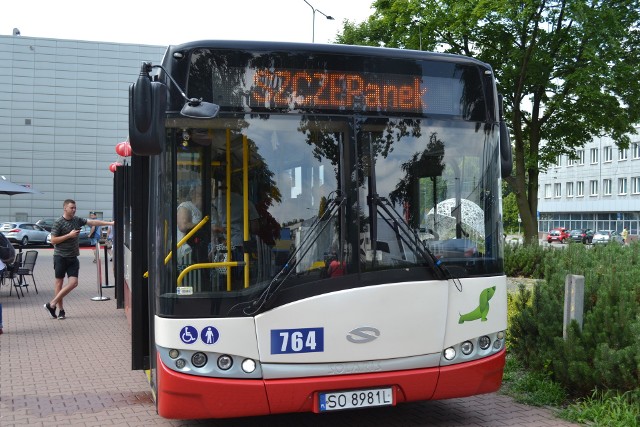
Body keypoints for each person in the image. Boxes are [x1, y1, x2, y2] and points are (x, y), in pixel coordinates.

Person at [44, 199, 114, 320]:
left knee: (74, 283)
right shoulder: (58, 222)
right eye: (72, 208)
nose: (74, 209)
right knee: (59, 283)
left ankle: (51, 304)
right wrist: (69, 236)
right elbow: (53, 240)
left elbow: (92, 222)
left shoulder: (77, 220)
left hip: (73, 257)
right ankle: (60, 310)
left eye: (75, 207)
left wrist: (111, 223)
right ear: (65, 208)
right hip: (60, 256)